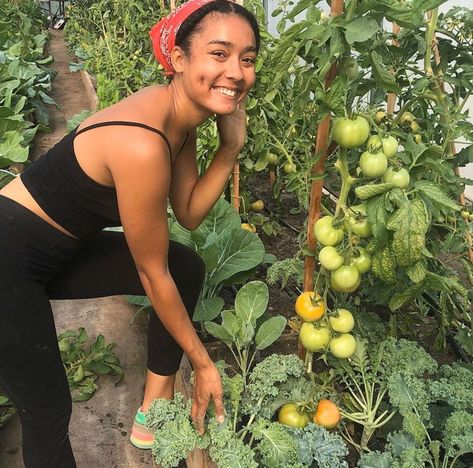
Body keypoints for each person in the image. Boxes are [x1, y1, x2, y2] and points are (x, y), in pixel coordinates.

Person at [0, 0, 260, 465]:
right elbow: (150, 273)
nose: (236, 72)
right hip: (7, 259)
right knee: (46, 409)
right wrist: (201, 363)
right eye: (219, 54)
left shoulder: (178, 117)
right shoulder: (142, 143)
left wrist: (230, 148)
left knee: (186, 265)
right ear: (179, 60)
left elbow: (189, 214)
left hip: (56, 250)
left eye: (247, 58)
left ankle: (153, 410)